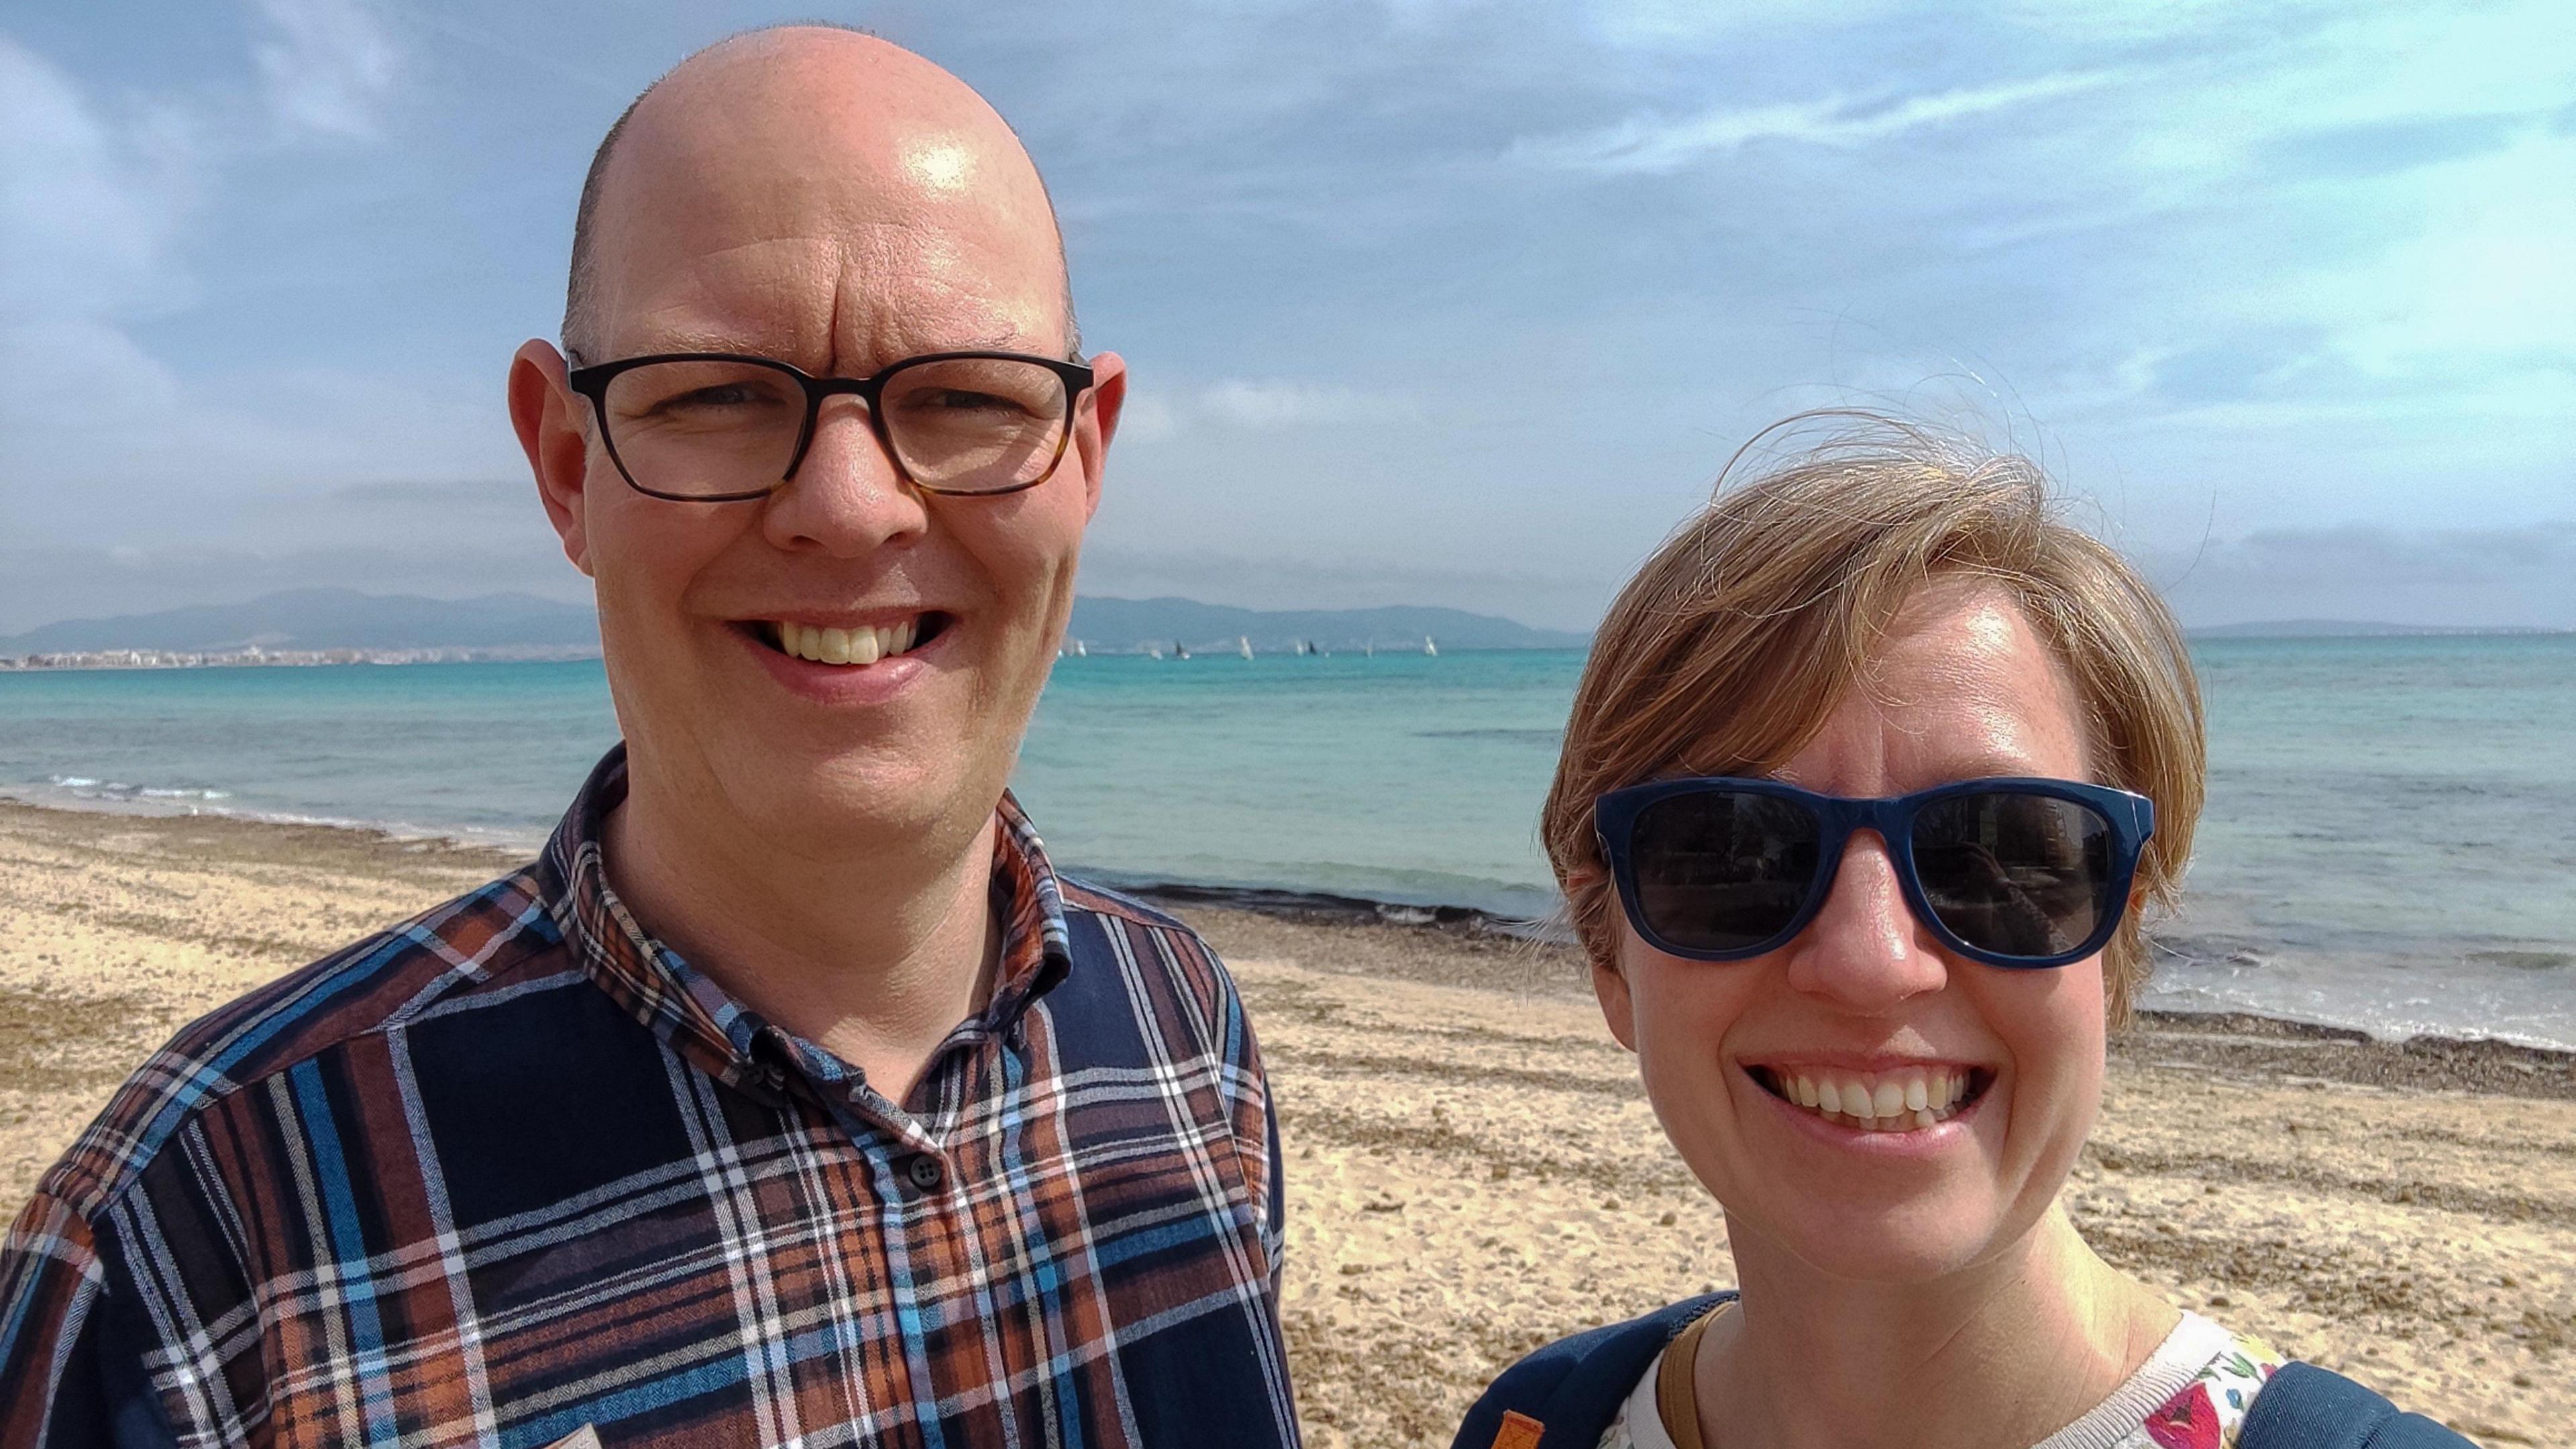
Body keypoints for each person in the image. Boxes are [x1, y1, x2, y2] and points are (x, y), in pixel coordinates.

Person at [0, 28, 1300, 1448]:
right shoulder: (206, 1246)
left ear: (1085, 455)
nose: (850, 506)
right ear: (568, 466)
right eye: (718, 395)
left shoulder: (1184, 1035)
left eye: (969, 396)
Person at [1454, 417, 2475, 1449]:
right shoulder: (1544, 1424)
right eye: (1730, 852)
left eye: (2003, 852)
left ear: (2116, 935)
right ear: (1609, 961)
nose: (1872, 963)